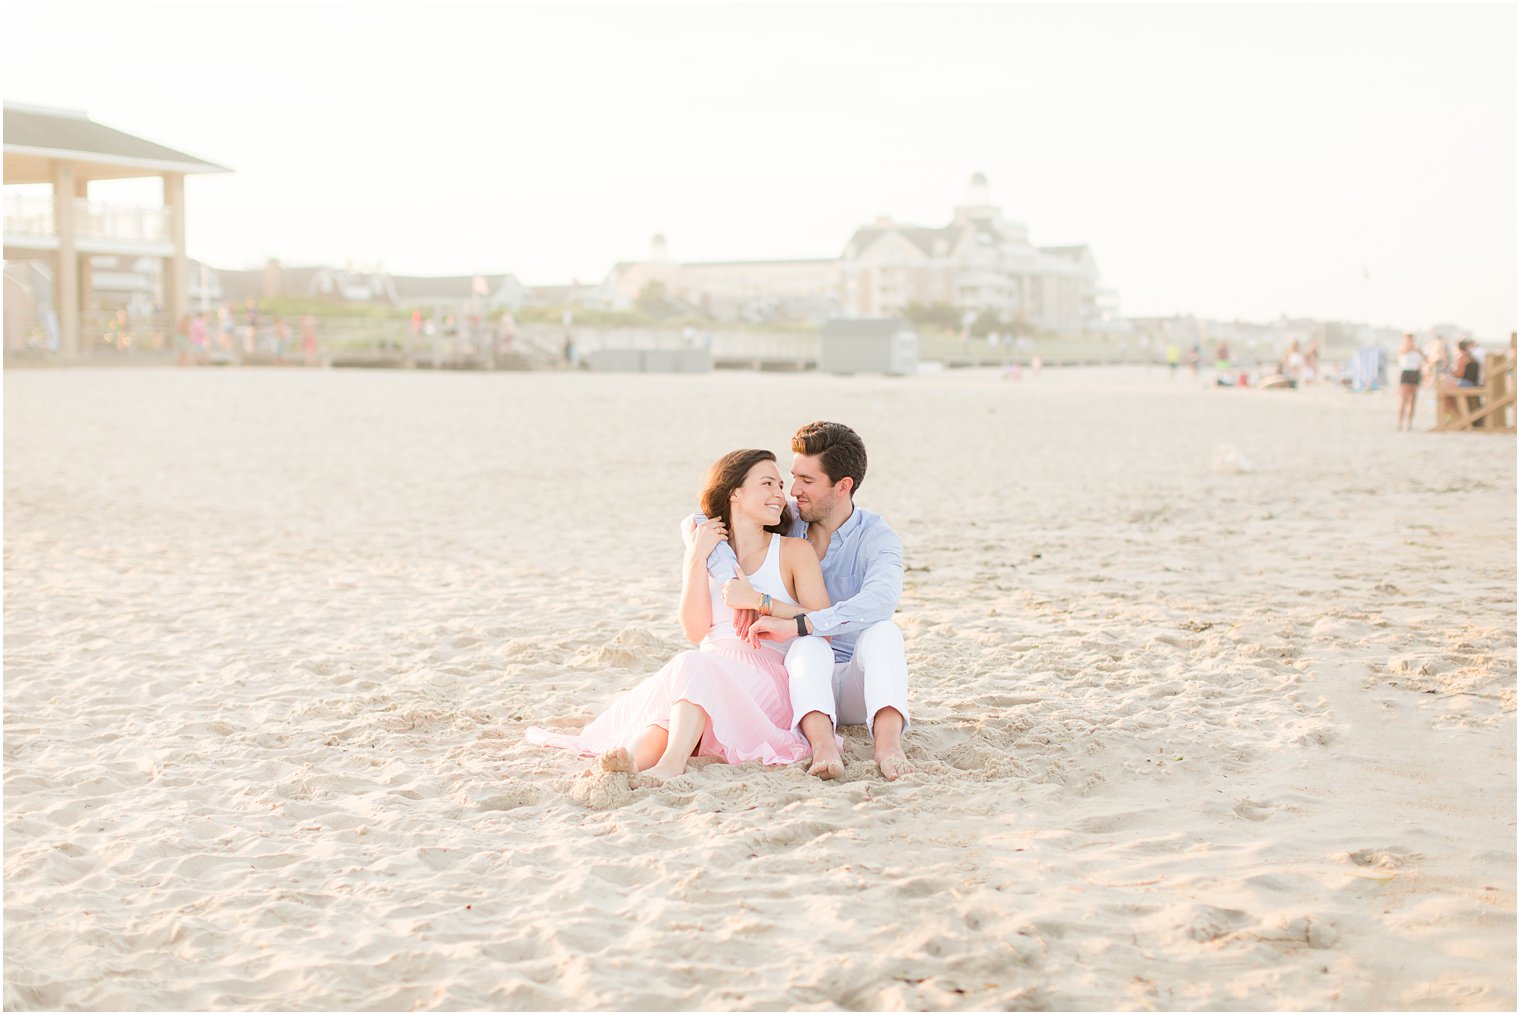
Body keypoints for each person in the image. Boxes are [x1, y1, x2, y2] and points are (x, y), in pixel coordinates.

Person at [528, 450, 833, 782]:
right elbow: (696, 630)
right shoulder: (710, 554)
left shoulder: (792, 552)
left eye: (780, 484)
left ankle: (672, 763)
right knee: (677, 697)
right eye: (767, 483)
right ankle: (631, 761)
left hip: (767, 678)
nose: (780, 494)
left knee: (690, 668)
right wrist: (695, 557)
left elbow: (825, 625)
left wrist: (761, 601)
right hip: (708, 670)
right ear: (735, 492)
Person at [692, 421, 912, 782]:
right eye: (793, 478)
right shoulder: (787, 519)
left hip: (857, 680)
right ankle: (824, 748)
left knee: (885, 633)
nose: (793, 491)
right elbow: (700, 517)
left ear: (843, 487)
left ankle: (888, 746)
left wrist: (797, 620)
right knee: (808, 648)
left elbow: (880, 602)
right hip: (801, 680)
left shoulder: (876, 537)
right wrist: (734, 581)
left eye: (807, 482)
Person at [1395, 333, 1426, 431]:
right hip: (1406, 372)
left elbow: (1425, 359)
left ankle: (1409, 424)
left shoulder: (1418, 350)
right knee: (1403, 399)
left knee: (1412, 400)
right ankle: (1399, 423)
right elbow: (1402, 352)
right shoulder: (1403, 348)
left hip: (1415, 373)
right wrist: (1410, 347)